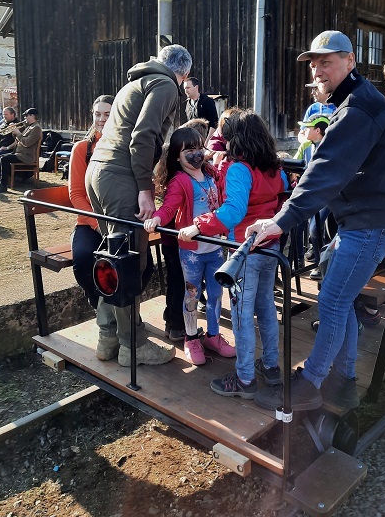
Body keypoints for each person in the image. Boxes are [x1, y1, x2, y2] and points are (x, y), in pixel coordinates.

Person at [245, 30, 385, 413]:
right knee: (343, 300)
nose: (319, 70)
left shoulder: (357, 110)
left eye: (328, 62)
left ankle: (310, 384)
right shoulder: (357, 103)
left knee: (333, 301)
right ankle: (345, 380)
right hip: (372, 220)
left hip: (370, 225)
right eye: (315, 64)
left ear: (350, 61)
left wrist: (281, 221)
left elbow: (324, 170)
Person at [86, 44, 192, 367]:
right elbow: (143, 137)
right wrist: (145, 190)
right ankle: (133, 345)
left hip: (99, 172)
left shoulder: (135, 82)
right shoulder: (165, 85)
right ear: (183, 73)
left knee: (112, 257)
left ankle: (108, 337)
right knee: (129, 263)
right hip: (121, 177)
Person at [180, 110, 284, 397]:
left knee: (240, 314)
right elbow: (284, 194)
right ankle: (271, 366)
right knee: (265, 307)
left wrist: (198, 224)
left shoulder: (240, 168)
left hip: (244, 251)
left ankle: (245, 378)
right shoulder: (273, 166)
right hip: (270, 248)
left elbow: (234, 210)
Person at [144, 127, 234, 365]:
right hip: (192, 251)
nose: (195, 154)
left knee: (215, 294)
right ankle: (191, 338)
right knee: (191, 295)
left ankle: (213, 336)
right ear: (177, 155)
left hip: (214, 247)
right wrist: (157, 219)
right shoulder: (180, 181)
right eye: (188, 150)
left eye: (198, 148)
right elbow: (170, 207)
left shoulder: (210, 173)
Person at [69, 95, 114, 311]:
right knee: (84, 258)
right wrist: (97, 224)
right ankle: (98, 304)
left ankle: (120, 310)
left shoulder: (125, 147)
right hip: (89, 222)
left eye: (107, 114)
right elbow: (76, 194)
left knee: (137, 264)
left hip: (117, 220)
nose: (102, 119)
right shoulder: (82, 149)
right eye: (98, 114)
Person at [294, 115, 331, 278]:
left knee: (315, 228)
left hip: (329, 195)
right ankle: (310, 260)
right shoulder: (306, 146)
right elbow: (295, 164)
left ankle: (321, 264)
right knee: (305, 227)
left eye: (307, 128)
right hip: (310, 194)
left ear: (318, 130)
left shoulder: (331, 147)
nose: (303, 131)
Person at [0, 108, 42, 194]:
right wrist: (14, 133)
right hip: (19, 153)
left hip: (26, 156)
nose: (25, 118)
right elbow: (20, 141)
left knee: (4, 159)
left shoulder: (36, 128)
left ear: (32, 116)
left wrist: (18, 133)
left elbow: (27, 143)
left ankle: (3, 185)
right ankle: (0, 181)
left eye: (26, 116)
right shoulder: (29, 127)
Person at [184, 78, 219, 143]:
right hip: (193, 141)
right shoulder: (188, 104)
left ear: (196, 87)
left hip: (206, 140)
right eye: (185, 88)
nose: (186, 91)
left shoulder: (207, 101)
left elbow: (214, 123)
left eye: (188, 88)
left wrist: (207, 141)